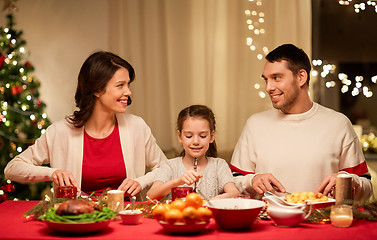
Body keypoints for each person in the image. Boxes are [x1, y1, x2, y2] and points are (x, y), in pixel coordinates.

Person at [4, 51, 167, 198]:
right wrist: (52, 173)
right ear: (97, 90)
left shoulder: (137, 127)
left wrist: (141, 181)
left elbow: (166, 168)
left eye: (128, 84)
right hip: (77, 220)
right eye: (120, 85)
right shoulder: (60, 131)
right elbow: (12, 168)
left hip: (126, 220)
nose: (128, 92)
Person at [230, 44, 373, 200]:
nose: (268, 87)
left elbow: (366, 187)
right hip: (270, 222)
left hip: (324, 221)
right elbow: (232, 181)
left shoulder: (338, 124)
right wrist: (252, 180)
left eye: (276, 78)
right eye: (266, 80)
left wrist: (348, 181)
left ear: (301, 77)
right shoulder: (255, 124)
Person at [147, 105, 240, 200]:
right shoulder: (170, 166)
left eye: (203, 136)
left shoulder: (219, 165)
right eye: (188, 136)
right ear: (180, 136)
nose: (195, 141)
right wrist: (178, 182)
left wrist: (219, 199)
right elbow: (150, 196)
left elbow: (235, 193)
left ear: (211, 136)